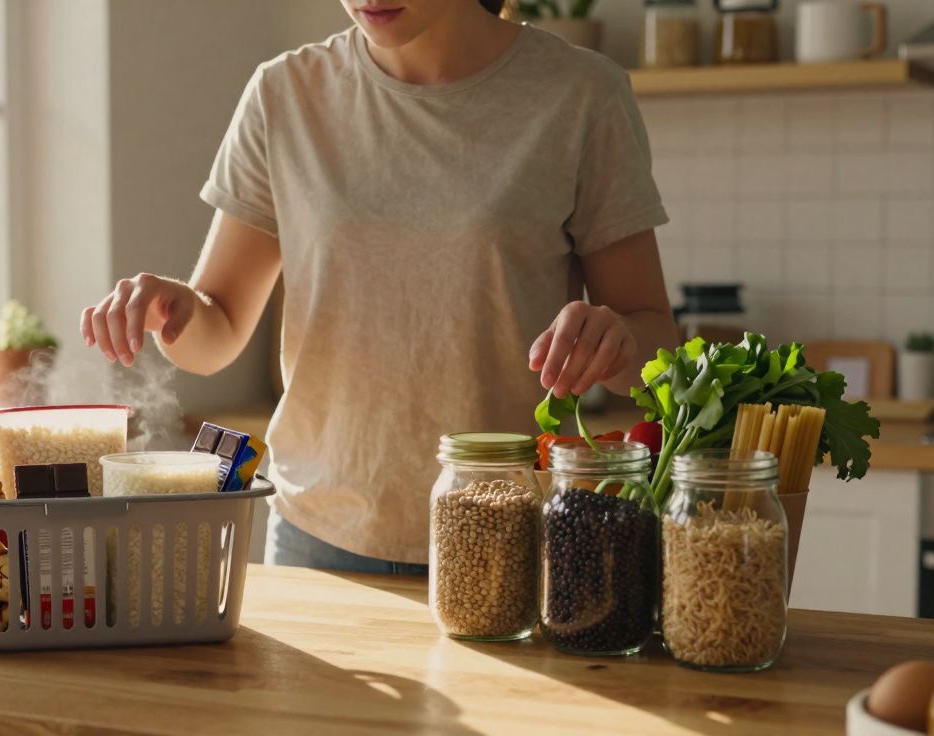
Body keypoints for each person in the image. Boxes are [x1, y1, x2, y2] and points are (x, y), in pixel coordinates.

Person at [80, 0, 677, 575]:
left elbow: (655, 344)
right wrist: (175, 309)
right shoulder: (285, 93)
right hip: (318, 537)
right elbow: (217, 333)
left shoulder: (580, 93)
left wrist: (616, 338)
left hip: (507, 532)